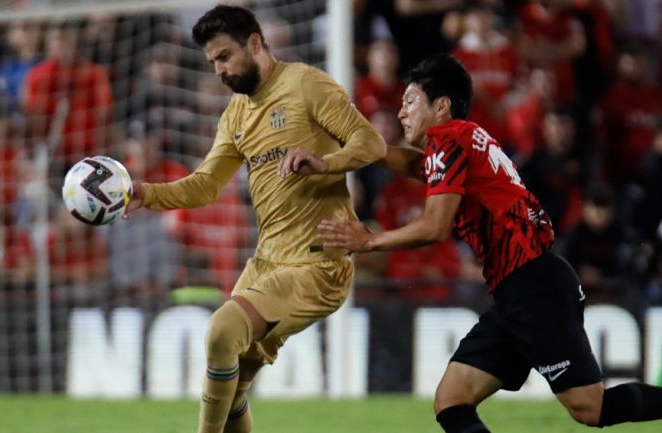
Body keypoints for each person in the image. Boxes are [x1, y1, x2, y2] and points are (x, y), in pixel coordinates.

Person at [317, 54, 662, 432]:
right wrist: (366, 146)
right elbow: (418, 167)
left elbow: (435, 225)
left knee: (590, 408)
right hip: (520, 289)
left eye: (410, 101)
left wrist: (368, 241)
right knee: (452, 399)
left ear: (441, 106)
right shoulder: (466, 137)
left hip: (534, 287)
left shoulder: (448, 139)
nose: (401, 112)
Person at [123, 5, 386, 433]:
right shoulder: (236, 115)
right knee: (234, 387)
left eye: (225, 57)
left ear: (256, 43)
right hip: (266, 263)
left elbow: (370, 142)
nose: (219, 71)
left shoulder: (306, 85)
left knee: (221, 331)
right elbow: (205, 186)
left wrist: (326, 162)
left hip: (317, 263)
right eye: (213, 63)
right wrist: (146, 192)